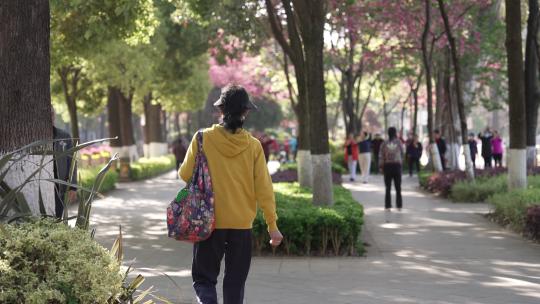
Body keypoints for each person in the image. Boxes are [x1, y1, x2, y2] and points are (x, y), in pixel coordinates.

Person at [179, 85, 283, 304]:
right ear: (245, 113)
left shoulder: (201, 139)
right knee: (235, 283)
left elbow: (185, 174)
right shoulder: (254, 146)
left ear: (221, 110)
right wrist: (272, 226)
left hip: (209, 222)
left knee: (204, 280)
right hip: (241, 225)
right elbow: (264, 188)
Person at [52, 110, 77, 218]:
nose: (50, 116)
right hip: (41, 185)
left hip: (59, 188)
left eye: (52, 113)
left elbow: (72, 162)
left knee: (57, 218)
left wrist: (73, 186)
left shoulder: (64, 136)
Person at [379, 127, 403, 212]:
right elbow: (402, 153)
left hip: (387, 167)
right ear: (395, 133)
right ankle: (399, 205)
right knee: (398, 187)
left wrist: (381, 167)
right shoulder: (399, 142)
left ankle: (388, 206)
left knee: (388, 187)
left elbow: (381, 156)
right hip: (397, 166)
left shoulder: (384, 143)